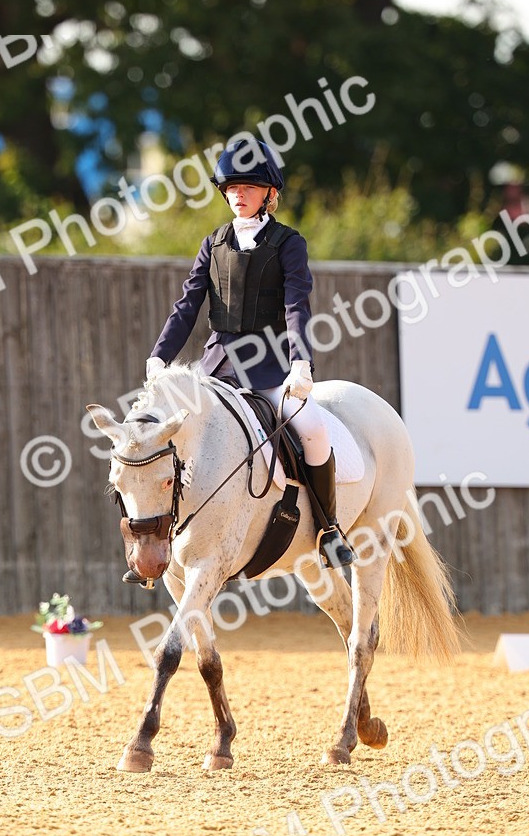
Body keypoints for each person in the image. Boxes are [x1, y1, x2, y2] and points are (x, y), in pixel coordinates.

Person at [122, 137, 355, 585]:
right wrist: (159, 356)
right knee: (160, 440)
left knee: (313, 429)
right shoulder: (213, 243)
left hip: (268, 368)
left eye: (248, 186)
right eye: (231, 187)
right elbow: (187, 305)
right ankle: (155, 540)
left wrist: (300, 363)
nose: (238, 194)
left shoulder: (289, 243)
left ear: (269, 192)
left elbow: (296, 306)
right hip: (216, 369)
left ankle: (328, 530)